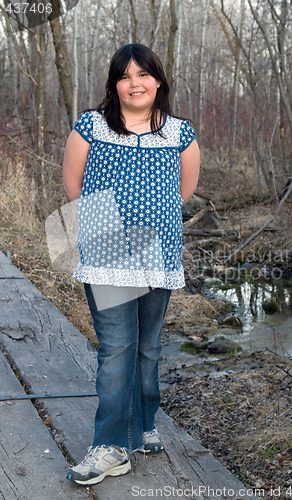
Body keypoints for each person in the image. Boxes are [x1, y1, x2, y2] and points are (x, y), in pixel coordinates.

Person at [62, 43, 200, 486]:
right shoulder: (91, 126)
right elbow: (73, 186)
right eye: (125, 75)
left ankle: (143, 424)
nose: (134, 83)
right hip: (107, 255)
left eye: (143, 74)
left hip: (157, 256)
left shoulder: (179, 133)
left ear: (158, 81)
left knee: (149, 346)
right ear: (114, 83)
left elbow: (185, 189)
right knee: (117, 347)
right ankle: (110, 446)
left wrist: (150, 226)